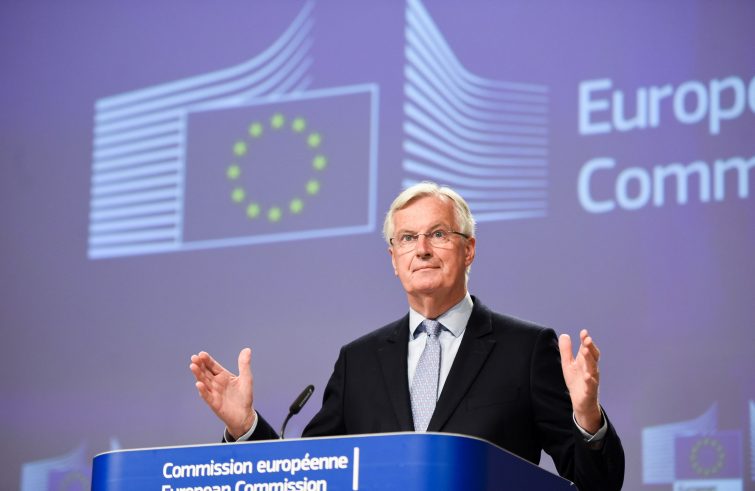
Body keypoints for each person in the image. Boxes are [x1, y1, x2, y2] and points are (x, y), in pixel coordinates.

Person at [190, 182, 625, 490]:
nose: (422, 249)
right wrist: (246, 428)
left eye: (438, 234)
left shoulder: (525, 349)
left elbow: (597, 484)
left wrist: (587, 417)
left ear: (469, 249)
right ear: (393, 259)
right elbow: (311, 476)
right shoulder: (359, 361)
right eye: (407, 238)